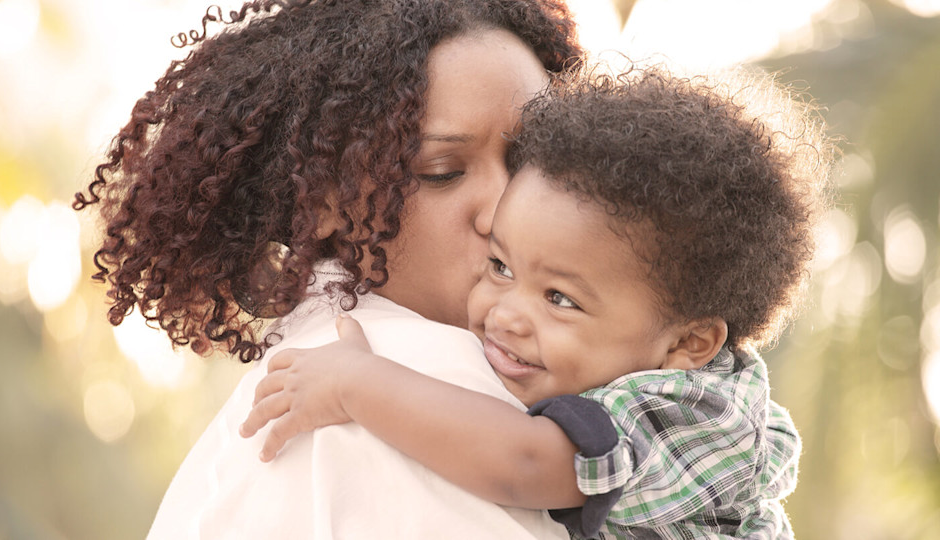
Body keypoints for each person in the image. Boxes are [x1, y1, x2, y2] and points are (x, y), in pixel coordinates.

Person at [241, 65, 833, 538]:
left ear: (688, 343)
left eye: (559, 299)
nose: (505, 314)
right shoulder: (623, 363)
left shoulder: (687, 412)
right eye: (500, 267)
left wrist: (359, 384)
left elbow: (524, 463)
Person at [74, 0, 585, 538]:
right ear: (320, 202)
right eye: (443, 171)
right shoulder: (415, 382)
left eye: (533, 157)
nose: (508, 204)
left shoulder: (317, 373)